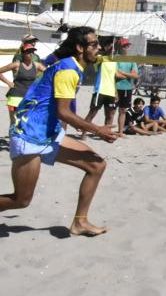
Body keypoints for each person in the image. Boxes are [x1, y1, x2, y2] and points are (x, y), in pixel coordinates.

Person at [0, 26, 120, 236]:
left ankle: (80, 223)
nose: (98, 47)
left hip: (47, 133)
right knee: (21, 200)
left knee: (97, 165)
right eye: (94, 44)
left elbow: (52, 65)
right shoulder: (67, 70)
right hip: (29, 135)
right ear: (79, 48)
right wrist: (98, 130)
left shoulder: (72, 65)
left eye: (98, 43)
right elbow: (64, 112)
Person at [0, 42, 44, 125]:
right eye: (28, 52)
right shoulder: (16, 64)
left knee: (27, 122)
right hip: (14, 98)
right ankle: (13, 137)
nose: (31, 54)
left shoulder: (37, 65)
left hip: (30, 97)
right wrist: (8, 82)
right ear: (23, 53)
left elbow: (50, 73)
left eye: (32, 51)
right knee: (14, 121)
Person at [83, 41, 119, 129]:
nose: (113, 51)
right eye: (111, 49)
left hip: (110, 92)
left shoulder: (116, 62)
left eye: (114, 50)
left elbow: (115, 77)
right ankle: (83, 132)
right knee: (92, 113)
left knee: (109, 115)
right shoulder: (101, 59)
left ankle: (107, 132)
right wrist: (106, 47)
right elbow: (93, 56)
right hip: (100, 91)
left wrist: (116, 92)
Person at [113, 38, 139, 134]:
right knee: (111, 111)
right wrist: (129, 74)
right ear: (120, 46)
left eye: (127, 45)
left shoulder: (131, 59)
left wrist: (123, 73)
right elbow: (116, 75)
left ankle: (120, 132)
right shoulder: (116, 58)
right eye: (124, 45)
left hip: (127, 89)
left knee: (123, 111)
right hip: (116, 88)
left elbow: (136, 75)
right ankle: (108, 131)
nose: (126, 47)